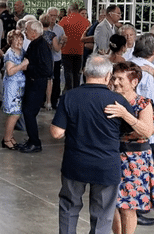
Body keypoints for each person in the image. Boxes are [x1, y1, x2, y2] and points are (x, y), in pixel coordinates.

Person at [50, 55, 134, 234]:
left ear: (84, 72)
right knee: (103, 215)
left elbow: (56, 133)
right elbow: (131, 130)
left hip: (75, 164)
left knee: (68, 207)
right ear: (108, 76)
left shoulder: (70, 97)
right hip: (106, 166)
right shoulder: (118, 102)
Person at [106, 62, 154, 234]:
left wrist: (125, 114)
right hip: (112, 155)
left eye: (120, 78)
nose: (115, 82)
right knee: (112, 204)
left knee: (128, 207)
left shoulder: (143, 103)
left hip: (135, 159)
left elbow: (147, 131)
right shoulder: (109, 100)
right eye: (114, 78)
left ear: (134, 82)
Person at [18, 20, 53, 153]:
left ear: (34, 32)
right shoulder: (34, 44)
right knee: (27, 112)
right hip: (32, 83)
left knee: (29, 113)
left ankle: (35, 142)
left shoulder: (42, 46)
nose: (25, 32)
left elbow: (47, 70)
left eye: (26, 30)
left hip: (37, 84)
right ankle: (31, 139)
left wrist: (28, 67)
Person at [1, 30, 28, 150]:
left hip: (21, 85)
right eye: (16, 39)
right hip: (12, 86)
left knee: (17, 113)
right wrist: (23, 65)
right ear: (10, 41)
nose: (19, 42)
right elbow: (10, 71)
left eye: (21, 39)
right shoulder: (9, 54)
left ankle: (10, 136)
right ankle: (6, 138)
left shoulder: (22, 52)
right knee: (14, 113)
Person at [59, 3, 90, 91]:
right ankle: (76, 89)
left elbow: (58, 32)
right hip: (79, 50)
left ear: (69, 10)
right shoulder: (85, 21)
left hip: (66, 50)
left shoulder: (65, 20)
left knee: (67, 71)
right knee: (77, 73)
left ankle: (69, 89)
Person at [46, 7, 67, 109]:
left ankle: (54, 101)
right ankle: (44, 100)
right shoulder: (42, 28)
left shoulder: (60, 29)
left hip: (56, 58)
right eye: (51, 15)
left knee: (56, 81)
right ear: (47, 15)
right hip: (45, 59)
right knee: (46, 80)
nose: (53, 18)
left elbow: (61, 46)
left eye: (55, 16)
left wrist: (63, 41)